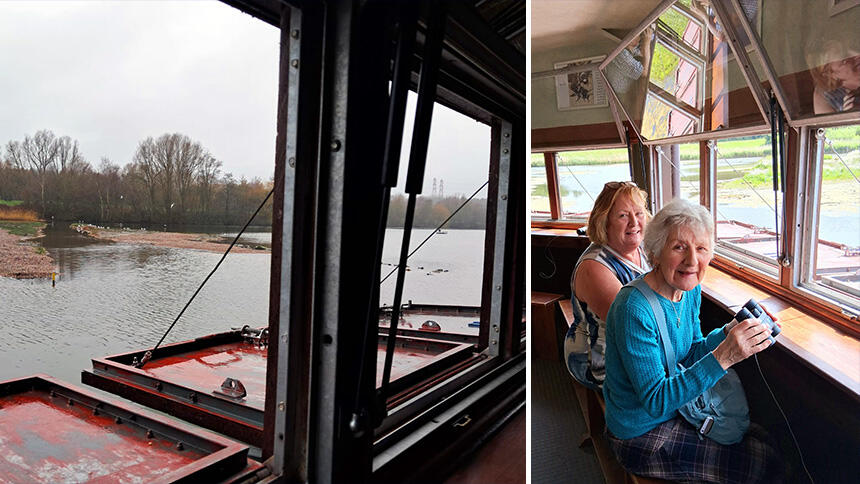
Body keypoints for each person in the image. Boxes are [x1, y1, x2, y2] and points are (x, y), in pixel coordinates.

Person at [603, 199, 782, 483]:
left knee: (762, 437)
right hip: (641, 434)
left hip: (678, 410)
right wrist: (725, 355)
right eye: (679, 247)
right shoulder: (632, 308)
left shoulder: (689, 289)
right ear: (656, 253)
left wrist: (727, 332)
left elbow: (690, 353)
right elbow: (656, 401)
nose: (692, 261)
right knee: (763, 463)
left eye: (701, 248)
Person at [564, 181, 651, 390]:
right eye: (623, 215)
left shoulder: (644, 249)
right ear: (604, 221)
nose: (634, 223)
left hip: (638, 345)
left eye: (638, 213)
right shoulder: (594, 268)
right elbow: (631, 327)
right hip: (598, 359)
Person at [808, 40, 860, 114]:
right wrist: (850, 118)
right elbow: (827, 125)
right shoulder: (826, 96)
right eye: (845, 58)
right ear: (829, 74)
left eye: (855, 48)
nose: (857, 54)